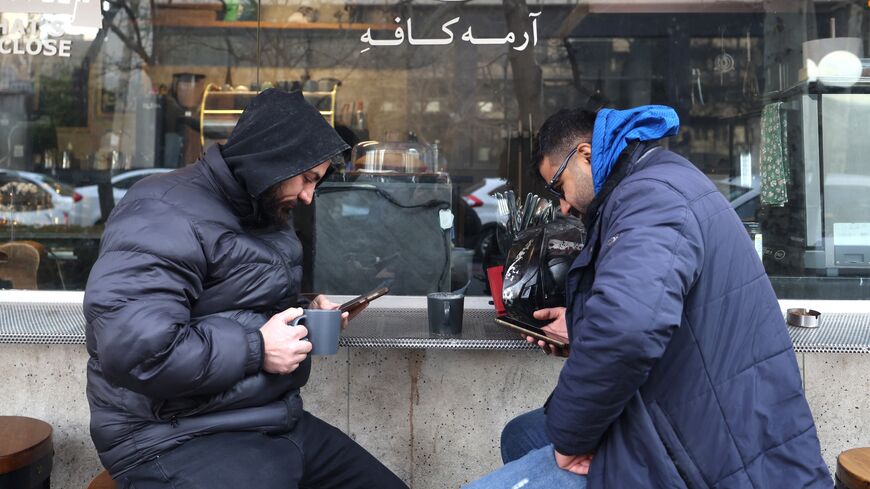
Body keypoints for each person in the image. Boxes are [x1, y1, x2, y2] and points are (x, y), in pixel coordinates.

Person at [465, 106, 831, 488]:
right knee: (521, 434)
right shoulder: (654, 181)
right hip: (692, 408)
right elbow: (654, 306)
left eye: (558, 186)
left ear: (586, 155)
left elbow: (627, 330)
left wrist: (571, 442)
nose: (562, 205)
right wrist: (578, 325)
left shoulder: (651, 199)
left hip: (705, 450)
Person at [84, 89, 408, 489]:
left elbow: (234, 298)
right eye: (307, 179)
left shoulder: (265, 206)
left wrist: (304, 313)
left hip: (269, 420)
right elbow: (137, 351)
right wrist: (257, 348)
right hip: (171, 437)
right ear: (272, 160)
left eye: (317, 183)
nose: (309, 196)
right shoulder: (162, 211)